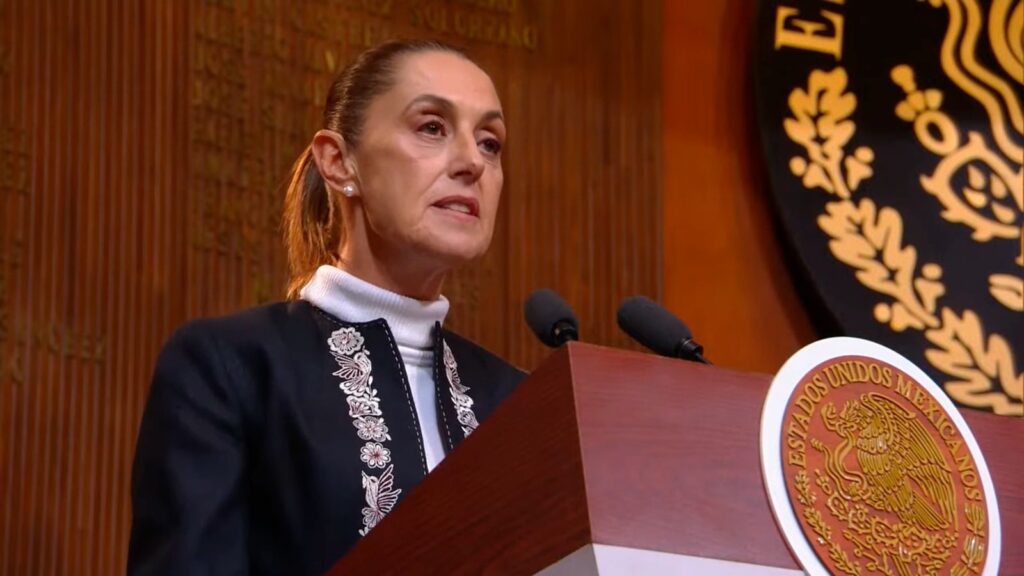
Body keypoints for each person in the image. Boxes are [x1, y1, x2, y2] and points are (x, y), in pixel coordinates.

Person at [127, 39, 525, 576]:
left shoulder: (517, 401)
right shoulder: (234, 366)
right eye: (432, 127)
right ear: (339, 162)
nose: (472, 162)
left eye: (490, 142)